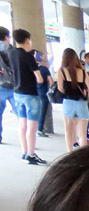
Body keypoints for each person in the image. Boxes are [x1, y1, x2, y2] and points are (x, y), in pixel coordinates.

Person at [10, 29, 46, 165]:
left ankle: (25, 153)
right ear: (27, 41)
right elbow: (39, 79)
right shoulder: (27, 56)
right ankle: (31, 154)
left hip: (17, 93)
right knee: (32, 126)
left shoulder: (11, 53)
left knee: (22, 124)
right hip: (30, 94)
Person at [57, 48, 89, 153]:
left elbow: (60, 88)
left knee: (69, 132)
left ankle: (70, 154)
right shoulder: (82, 71)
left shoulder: (61, 70)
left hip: (68, 103)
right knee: (82, 135)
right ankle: (82, 157)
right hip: (81, 103)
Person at [0, 27, 16, 144]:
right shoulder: (12, 50)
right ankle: (27, 142)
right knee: (22, 114)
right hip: (13, 86)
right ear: (6, 37)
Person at [33, 49, 51, 137]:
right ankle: (39, 129)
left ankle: (33, 129)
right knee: (42, 112)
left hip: (32, 93)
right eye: (41, 55)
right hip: (43, 92)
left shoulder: (28, 68)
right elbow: (51, 82)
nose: (43, 57)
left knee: (33, 112)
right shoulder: (44, 69)